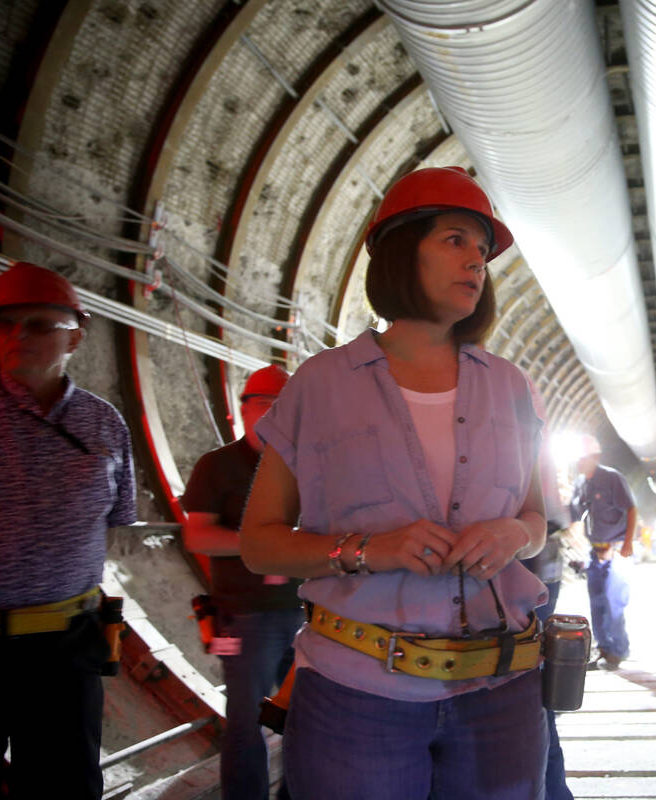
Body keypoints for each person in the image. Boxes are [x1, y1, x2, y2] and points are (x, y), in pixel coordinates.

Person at [239, 166, 549, 800]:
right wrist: (368, 550)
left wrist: (514, 532)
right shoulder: (321, 385)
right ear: (402, 249)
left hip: (501, 692)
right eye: (456, 240)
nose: (476, 262)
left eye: (483, 251)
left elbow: (539, 521)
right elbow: (260, 543)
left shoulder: (511, 385)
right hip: (358, 694)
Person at [0, 261, 136, 799]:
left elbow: (118, 518)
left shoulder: (105, 425)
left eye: (37, 324)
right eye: (4, 323)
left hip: (67, 648)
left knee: (66, 786)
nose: (17, 336)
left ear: (75, 336)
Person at [182, 364, 303, 800]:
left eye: (285, 408)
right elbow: (197, 534)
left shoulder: (306, 469)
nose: (274, 416)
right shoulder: (218, 466)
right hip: (246, 618)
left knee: (307, 719)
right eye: (265, 405)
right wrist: (260, 544)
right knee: (247, 720)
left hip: (307, 615)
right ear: (244, 409)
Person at [518, 378, 574, 800]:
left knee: (528, 687)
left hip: (525, 557)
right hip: (539, 550)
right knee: (534, 691)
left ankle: (551, 791)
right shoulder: (509, 381)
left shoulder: (502, 384)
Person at [568, 436, 636, 670]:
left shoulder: (611, 478)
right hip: (594, 552)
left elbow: (631, 508)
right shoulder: (579, 484)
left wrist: (627, 544)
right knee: (596, 602)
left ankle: (619, 649)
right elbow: (574, 516)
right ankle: (604, 648)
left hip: (615, 549)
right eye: (577, 458)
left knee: (613, 601)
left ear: (595, 457)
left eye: (583, 458)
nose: (579, 462)